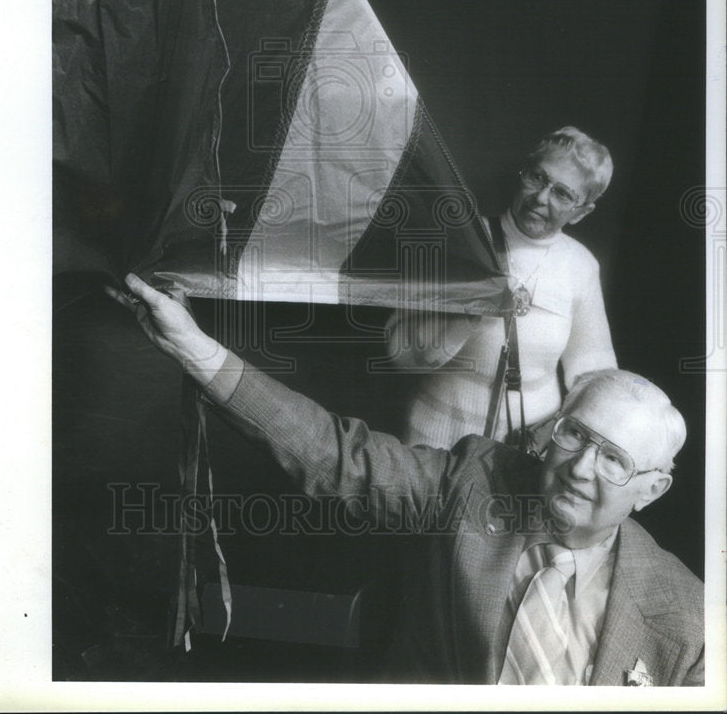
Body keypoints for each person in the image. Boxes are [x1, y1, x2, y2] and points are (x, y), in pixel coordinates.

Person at [108, 273, 704, 687]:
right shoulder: (476, 483)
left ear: (652, 489)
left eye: (614, 459)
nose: (579, 467)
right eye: (575, 435)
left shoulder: (690, 622)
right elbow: (337, 456)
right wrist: (196, 349)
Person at [388, 126, 617, 448]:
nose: (540, 197)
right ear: (522, 174)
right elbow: (400, 351)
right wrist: (468, 310)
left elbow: (592, 369)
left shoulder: (581, 266)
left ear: (581, 212)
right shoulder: (461, 240)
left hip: (523, 450)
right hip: (434, 438)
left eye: (562, 193)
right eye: (537, 177)